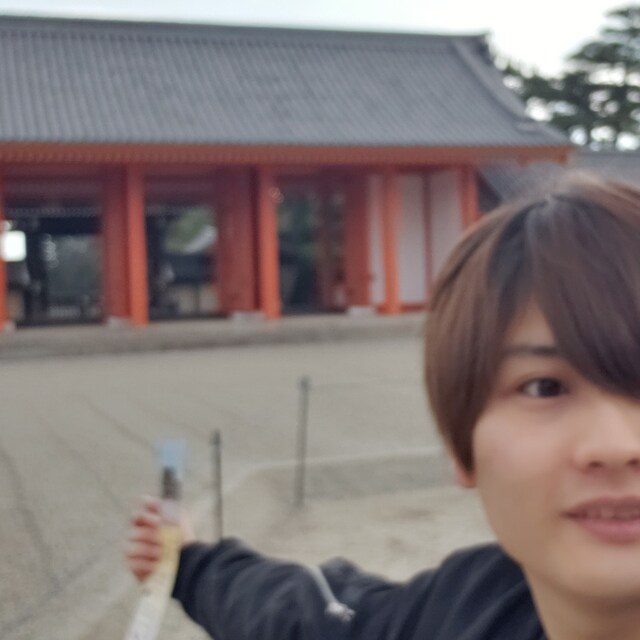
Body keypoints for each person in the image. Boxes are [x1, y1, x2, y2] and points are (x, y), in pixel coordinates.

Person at [126, 173, 640, 640]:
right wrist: (188, 562)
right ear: (460, 446)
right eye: (544, 387)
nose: (617, 446)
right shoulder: (457, 612)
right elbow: (308, 620)